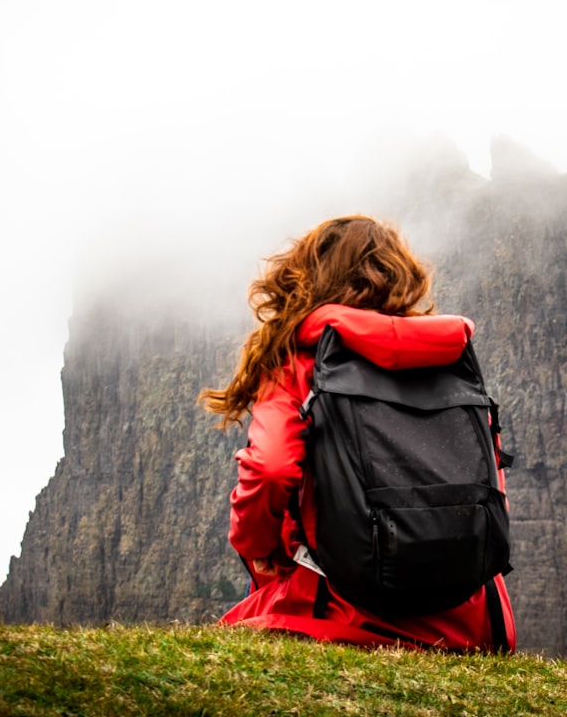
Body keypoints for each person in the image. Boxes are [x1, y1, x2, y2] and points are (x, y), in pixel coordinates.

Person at [200, 214, 515, 651]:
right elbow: (489, 480)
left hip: (344, 611)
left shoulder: (302, 362)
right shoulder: (450, 360)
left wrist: (258, 549)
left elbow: (270, 469)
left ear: (308, 279)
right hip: (467, 620)